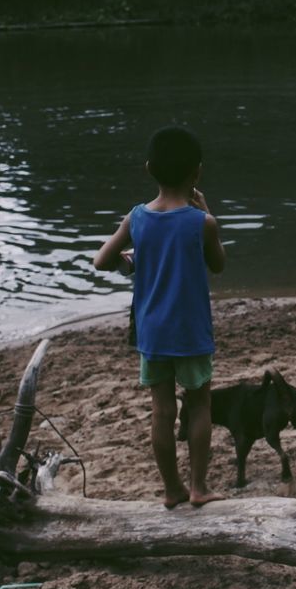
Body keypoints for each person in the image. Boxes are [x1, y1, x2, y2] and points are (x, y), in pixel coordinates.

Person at [94, 125, 227, 508]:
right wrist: (209, 214)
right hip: (191, 331)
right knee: (199, 404)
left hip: (153, 333)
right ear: (197, 173)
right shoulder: (202, 223)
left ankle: (172, 489)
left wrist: (129, 260)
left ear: (148, 168)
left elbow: (101, 260)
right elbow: (218, 265)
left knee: (162, 409)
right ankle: (199, 487)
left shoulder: (137, 219)